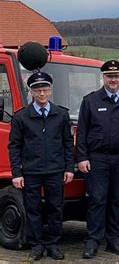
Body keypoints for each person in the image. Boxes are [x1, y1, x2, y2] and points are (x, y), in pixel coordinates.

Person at [76, 60, 119, 259]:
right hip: (97, 159)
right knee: (97, 200)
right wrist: (82, 157)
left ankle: (114, 240)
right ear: (103, 77)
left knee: (117, 200)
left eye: (116, 76)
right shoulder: (90, 101)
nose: (113, 79)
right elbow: (82, 132)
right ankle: (93, 242)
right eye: (109, 76)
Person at [8, 72, 74, 261]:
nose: (42, 94)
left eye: (45, 90)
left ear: (51, 91)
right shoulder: (21, 117)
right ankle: (36, 245)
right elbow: (14, 147)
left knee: (55, 208)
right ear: (31, 92)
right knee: (33, 209)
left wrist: (69, 168)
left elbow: (67, 144)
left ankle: (53, 244)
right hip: (31, 171)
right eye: (37, 90)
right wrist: (16, 173)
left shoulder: (61, 114)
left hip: (55, 170)